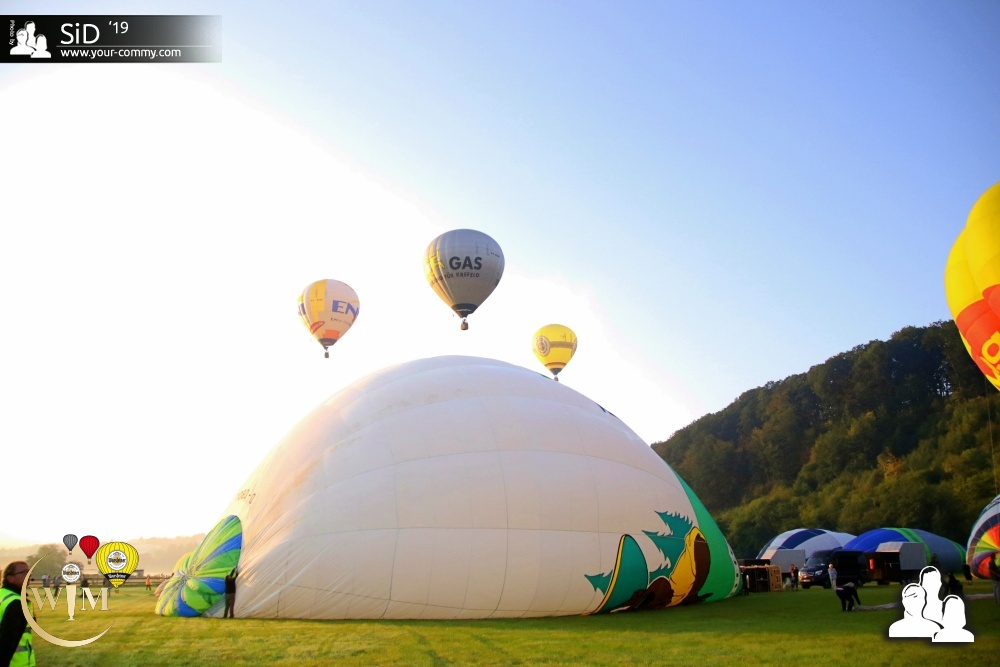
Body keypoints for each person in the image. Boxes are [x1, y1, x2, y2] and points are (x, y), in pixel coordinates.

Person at [0, 561, 35, 666]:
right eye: (24, 572)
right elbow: (8, 641)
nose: (29, 575)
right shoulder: (17, 603)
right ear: (10, 578)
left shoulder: (3, 595)